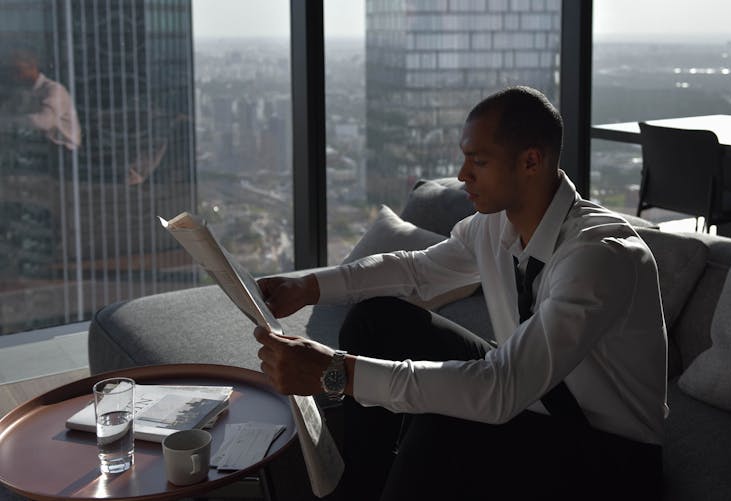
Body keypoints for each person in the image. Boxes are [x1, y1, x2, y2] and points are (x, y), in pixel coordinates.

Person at [254, 86, 667, 500]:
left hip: (611, 456)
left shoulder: (599, 256)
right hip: (527, 399)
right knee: (376, 320)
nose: (462, 174)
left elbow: (501, 389)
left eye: (478, 161)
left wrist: (338, 373)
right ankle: (361, 489)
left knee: (447, 420)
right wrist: (307, 286)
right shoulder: (494, 225)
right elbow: (415, 271)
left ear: (531, 161)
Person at [5, 47, 81, 150]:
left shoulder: (54, 89)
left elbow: (45, 122)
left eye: (18, 71)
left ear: (32, 66)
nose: (14, 76)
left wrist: (10, 122)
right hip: (37, 149)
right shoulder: (20, 94)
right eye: (11, 72)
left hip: (62, 151)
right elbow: (5, 114)